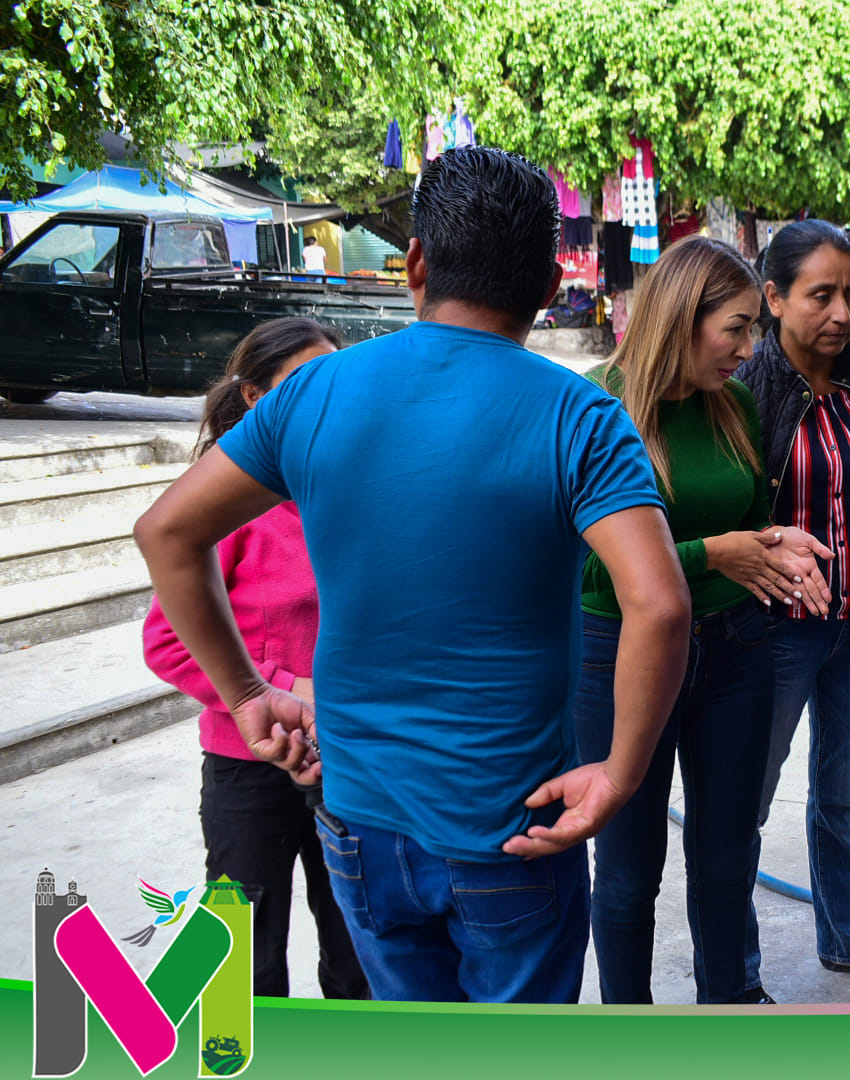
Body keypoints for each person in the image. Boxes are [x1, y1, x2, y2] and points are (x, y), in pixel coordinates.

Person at [133, 146, 690, 1004]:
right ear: (548, 286)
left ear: (417, 263)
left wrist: (246, 694)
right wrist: (619, 773)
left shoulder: (313, 393)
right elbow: (657, 605)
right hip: (513, 828)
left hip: (360, 824)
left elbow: (167, 531)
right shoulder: (581, 414)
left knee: (409, 1043)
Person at [573, 236, 833, 1005]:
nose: (749, 348)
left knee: (726, 858)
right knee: (627, 869)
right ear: (682, 317)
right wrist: (712, 554)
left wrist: (774, 542)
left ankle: (728, 1010)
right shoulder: (599, 405)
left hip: (735, 652)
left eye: (754, 327)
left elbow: (747, 523)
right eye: (736, 328)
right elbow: (586, 569)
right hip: (620, 655)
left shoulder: (736, 404)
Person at [143, 317, 367, 1002]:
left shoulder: (351, 496)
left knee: (358, 948)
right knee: (244, 961)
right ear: (252, 398)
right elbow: (167, 640)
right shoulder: (225, 508)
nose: (323, 405)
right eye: (302, 386)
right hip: (250, 766)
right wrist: (277, 686)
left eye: (334, 385)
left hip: (348, 763)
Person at [738, 219, 850, 987]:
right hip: (777, 635)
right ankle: (731, 962)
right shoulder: (746, 386)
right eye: (821, 296)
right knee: (745, 796)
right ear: (773, 298)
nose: (843, 312)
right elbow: (725, 514)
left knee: (843, 796)